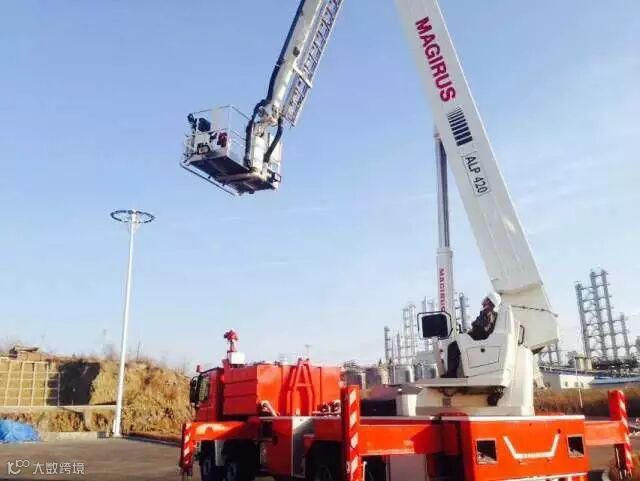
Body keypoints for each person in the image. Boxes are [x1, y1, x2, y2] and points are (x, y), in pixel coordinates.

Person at [442, 292, 500, 378]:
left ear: (489, 301)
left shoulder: (487, 312)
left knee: (453, 346)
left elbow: (482, 328)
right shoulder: (493, 314)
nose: (484, 300)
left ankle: (452, 373)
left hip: (477, 340)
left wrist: (471, 330)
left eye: (486, 298)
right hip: (480, 339)